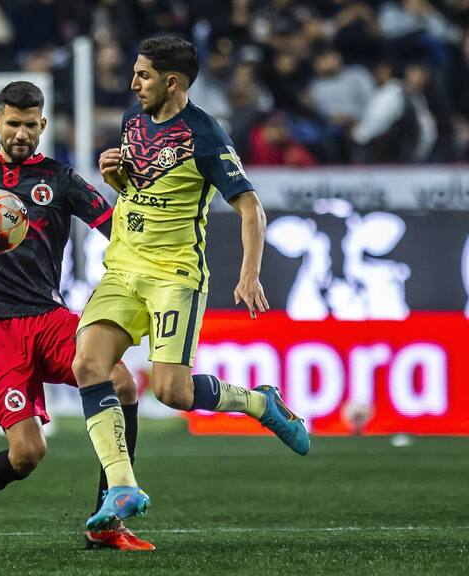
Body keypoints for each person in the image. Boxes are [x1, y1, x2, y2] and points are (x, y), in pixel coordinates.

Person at [71, 36, 310, 532]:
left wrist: (249, 274)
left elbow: (251, 208)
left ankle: (260, 402)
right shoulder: (133, 119)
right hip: (122, 266)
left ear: (172, 82)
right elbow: (142, 188)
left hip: (174, 275)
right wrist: (116, 178)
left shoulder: (205, 134)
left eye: (143, 75)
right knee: (88, 364)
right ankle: (122, 486)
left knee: (172, 392)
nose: (133, 83)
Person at [0, 81, 154, 552]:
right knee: (28, 454)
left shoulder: (60, 179)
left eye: (30, 125)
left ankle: (107, 521)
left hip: (49, 317)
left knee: (122, 384)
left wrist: (135, 200)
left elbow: (116, 228)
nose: (21, 134)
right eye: (13, 123)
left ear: (43, 125)